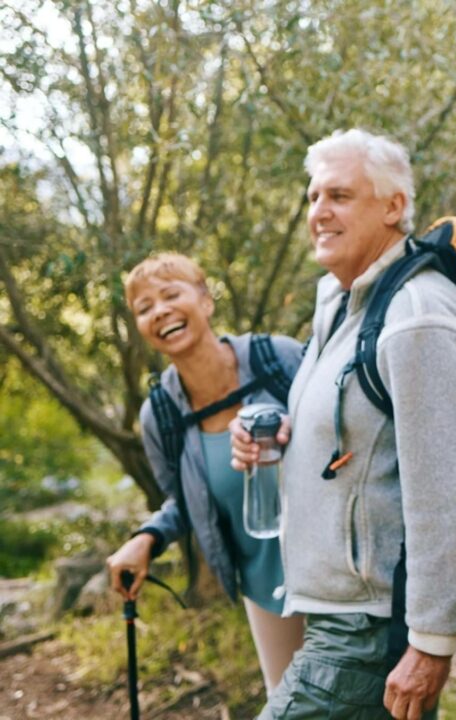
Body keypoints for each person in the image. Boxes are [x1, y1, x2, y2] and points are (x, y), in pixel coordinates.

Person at [230, 128, 456, 720]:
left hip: (367, 630)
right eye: (312, 197)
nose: (319, 212)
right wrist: (283, 430)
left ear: (394, 206)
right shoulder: (342, 302)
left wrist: (430, 644)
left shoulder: (417, 316)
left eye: (339, 196)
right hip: (334, 614)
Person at [105, 253, 305, 694]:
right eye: (144, 308)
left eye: (171, 295)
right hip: (264, 586)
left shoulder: (279, 358)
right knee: (290, 703)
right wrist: (147, 538)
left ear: (206, 301)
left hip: (337, 568)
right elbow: (185, 500)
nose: (159, 311)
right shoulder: (160, 414)